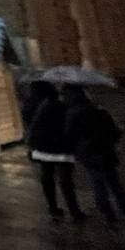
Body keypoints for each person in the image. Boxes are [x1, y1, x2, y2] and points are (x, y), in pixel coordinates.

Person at [63, 85, 125, 226]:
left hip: (89, 155)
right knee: (116, 185)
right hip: (106, 153)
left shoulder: (72, 114)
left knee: (98, 185)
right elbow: (116, 133)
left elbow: (69, 136)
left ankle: (109, 216)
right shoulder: (99, 110)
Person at [23, 81, 86, 220]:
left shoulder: (30, 106)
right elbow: (67, 125)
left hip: (42, 146)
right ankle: (74, 210)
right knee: (65, 179)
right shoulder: (57, 105)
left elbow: (29, 126)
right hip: (60, 146)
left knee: (47, 176)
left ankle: (53, 207)